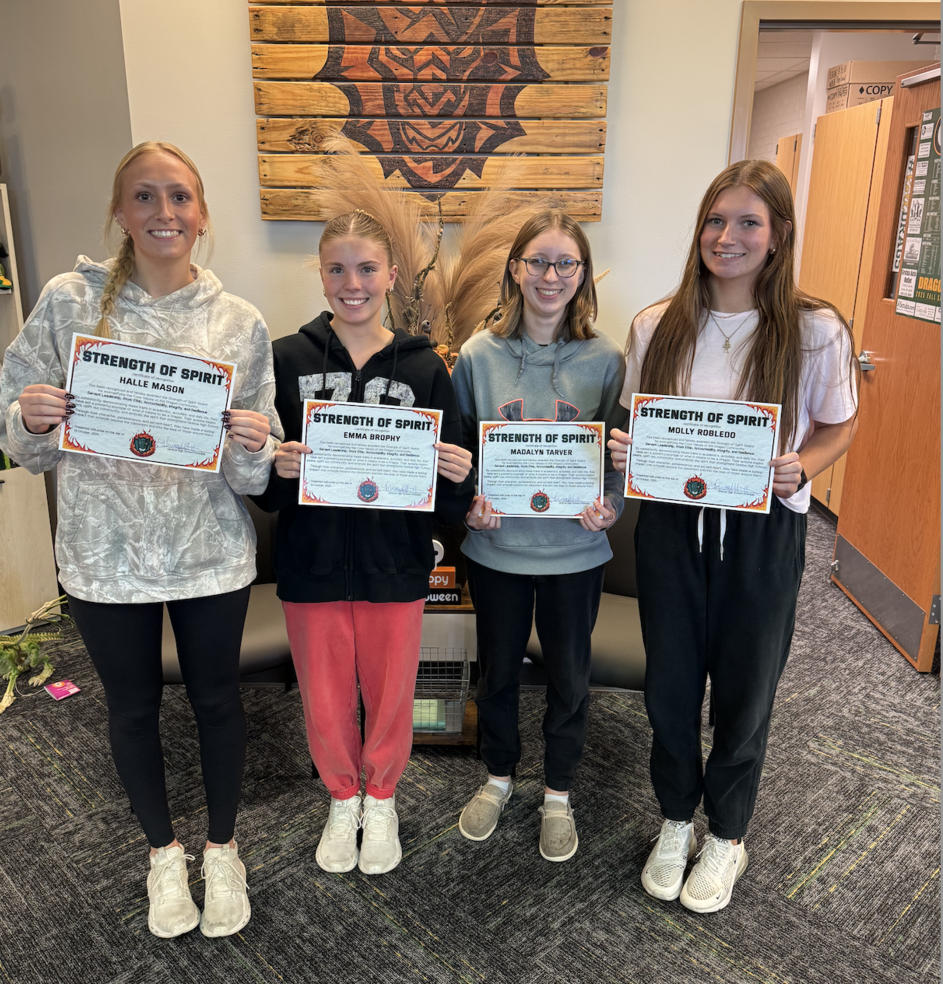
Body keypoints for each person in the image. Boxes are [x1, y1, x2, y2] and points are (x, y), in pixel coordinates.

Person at [0, 142, 282, 939]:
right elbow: (15, 429)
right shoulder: (68, 302)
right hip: (103, 552)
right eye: (146, 198)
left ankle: (222, 849)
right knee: (131, 709)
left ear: (201, 214)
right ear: (120, 213)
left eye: (180, 197)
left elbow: (253, 475)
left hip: (208, 551)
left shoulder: (239, 322)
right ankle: (162, 853)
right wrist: (28, 415)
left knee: (219, 703)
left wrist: (256, 440)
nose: (165, 214)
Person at [608, 159, 858, 912]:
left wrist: (801, 465)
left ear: (778, 234)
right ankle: (676, 819)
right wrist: (627, 451)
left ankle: (728, 835)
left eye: (748, 222)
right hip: (671, 532)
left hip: (761, 537)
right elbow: (632, 420)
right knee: (671, 689)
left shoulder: (813, 330)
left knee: (747, 692)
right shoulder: (658, 323)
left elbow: (841, 422)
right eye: (715, 221)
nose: (727, 237)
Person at [255, 209, 474, 875]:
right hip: (310, 562)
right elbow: (261, 485)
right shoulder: (285, 359)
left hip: (393, 564)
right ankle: (341, 797)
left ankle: (381, 798)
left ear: (391, 275)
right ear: (319, 274)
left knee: (390, 694)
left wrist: (458, 473)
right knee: (322, 699)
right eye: (337, 268)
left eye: (366, 268)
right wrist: (276, 464)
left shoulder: (427, 367)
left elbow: (451, 489)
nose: (352, 283)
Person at [451, 211, 625, 862]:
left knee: (569, 677)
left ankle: (557, 791)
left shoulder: (608, 359)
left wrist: (609, 507)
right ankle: (497, 778)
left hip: (575, 553)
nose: (550, 276)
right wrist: (468, 505)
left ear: (581, 275)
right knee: (496, 674)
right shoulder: (476, 355)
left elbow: (617, 458)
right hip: (495, 551)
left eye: (565, 264)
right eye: (538, 262)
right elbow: (458, 451)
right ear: (514, 269)